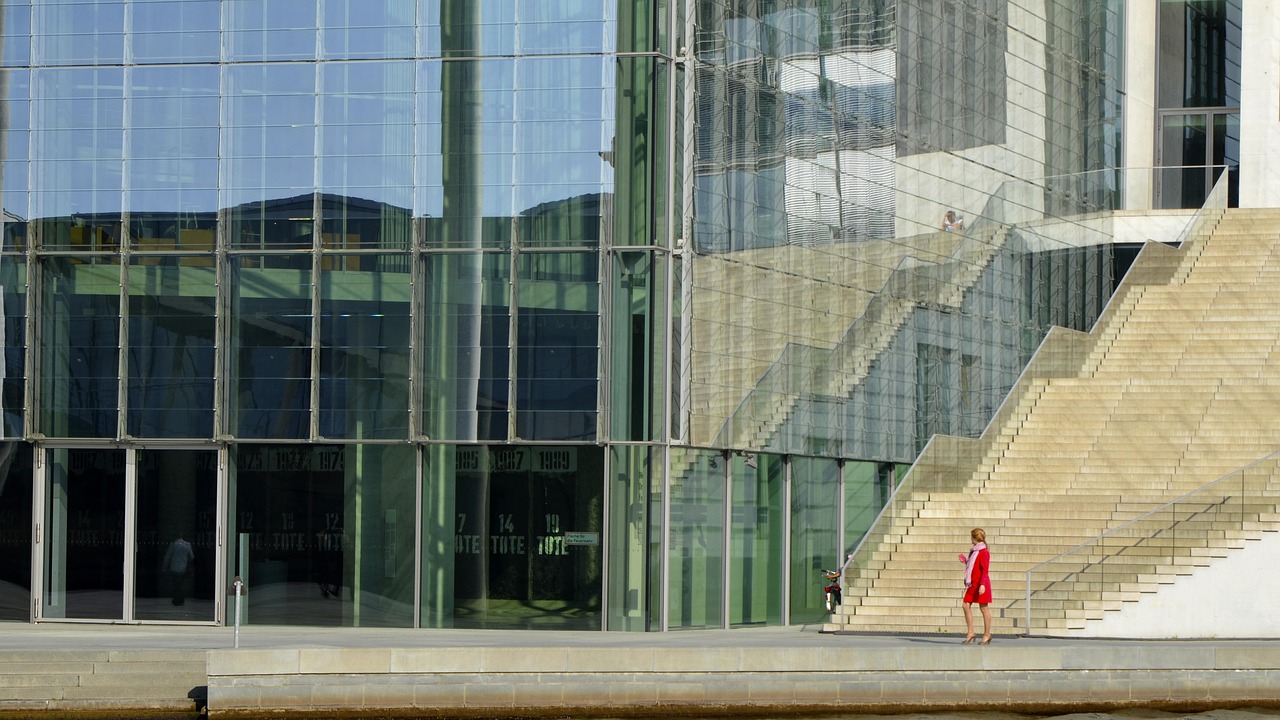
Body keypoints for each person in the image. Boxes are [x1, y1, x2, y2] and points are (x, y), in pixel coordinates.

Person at [957, 527, 991, 644]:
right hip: (973, 583)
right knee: (965, 605)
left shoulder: (984, 552)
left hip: (981, 583)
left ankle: (987, 634)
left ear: (975, 538)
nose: (970, 539)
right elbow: (974, 566)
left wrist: (982, 585)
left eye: (972, 537)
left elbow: (985, 570)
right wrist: (966, 561)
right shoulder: (974, 551)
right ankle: (971, 632)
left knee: (984, 608)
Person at [162, 533, 196, 606]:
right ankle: (180, 599)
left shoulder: (173, 544)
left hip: (174, 567)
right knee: (180, 583)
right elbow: (192, 557)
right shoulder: (187, 544)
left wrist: (164, 567)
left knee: (176, 584)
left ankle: (177, 599)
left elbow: (167, 556)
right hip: (183, 567)